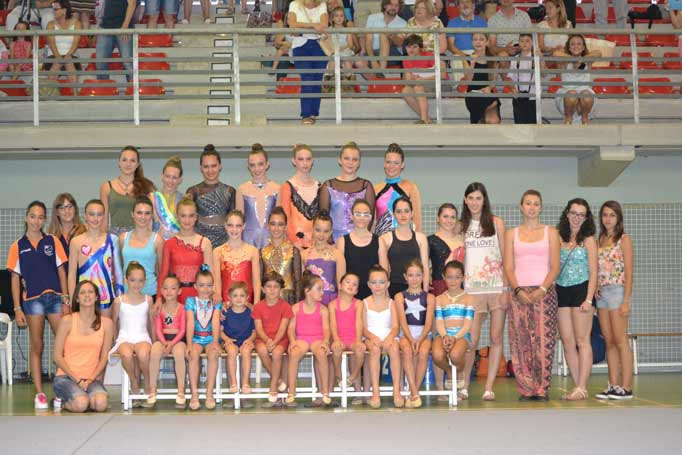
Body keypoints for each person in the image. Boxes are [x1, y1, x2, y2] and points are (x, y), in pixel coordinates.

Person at [7, 201, 69, 410]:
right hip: (33, 301)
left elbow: (61, 271)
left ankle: (62, 391)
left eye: (41, 217)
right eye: (33, 216)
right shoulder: (17, 246)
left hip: (55, 299)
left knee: (64, 345)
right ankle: (40, 393)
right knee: (37, 345)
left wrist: (66, 299)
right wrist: (17, 308)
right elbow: (15, 279)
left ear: (44, 220)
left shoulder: (52, 241)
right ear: (26, 218)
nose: (36, 221)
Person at [503, 190, 560, 401]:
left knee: (544, 341)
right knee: (521, 341)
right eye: (528, 203)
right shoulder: (511, 234)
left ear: (541, 207)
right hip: (518, 293)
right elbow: (508, 267)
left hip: (544, 293)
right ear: (521, 206)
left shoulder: (550, 232)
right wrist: (517, 290)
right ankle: (526, 388)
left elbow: (555, 266)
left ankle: (541, 388)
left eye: (536, 204)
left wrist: (542, 289)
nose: (532, 207)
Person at [461, 182, 509, 401]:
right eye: (470, 198)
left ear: (484, 200)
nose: (474, 202)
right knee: (471, 341)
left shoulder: (497, 223)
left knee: (496, 337)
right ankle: (464, 385)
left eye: (478, 198)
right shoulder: (462, 226)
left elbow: (506, 257)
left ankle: (489, 387)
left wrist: (506, 288)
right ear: (465, 200)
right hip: (472, 290)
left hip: (496, 287)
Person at [556, 198, 598, 401]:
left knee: (582, 340)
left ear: (586, 218)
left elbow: (594, 271)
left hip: (582, 290)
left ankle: (582, 386)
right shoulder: (558, 237)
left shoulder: (588, 240)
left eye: (581, 215)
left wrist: (589, 299)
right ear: (567, 214)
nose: (576, 218)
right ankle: (577, 386)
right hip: (561, 291)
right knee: (567, 341)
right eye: (573, 213)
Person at [53, 281, 114, 413]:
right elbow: (57, 357)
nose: (87, 295)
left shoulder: (107, 324)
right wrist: (78, 380)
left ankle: (85, 398)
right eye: (82, 293)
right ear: (77, 298)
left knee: (101, 404)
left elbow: (104, 357)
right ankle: (61, 402)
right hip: (66, 377)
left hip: (91, 379)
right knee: (81, 404)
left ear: (96, 297)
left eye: (90, 292)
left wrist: (91, 379)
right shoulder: (67, 321)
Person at [595, 200, 634, 400]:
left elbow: (629, 272)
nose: (608, 219)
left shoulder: (624, 239)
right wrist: (595, 286)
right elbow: (597, 267)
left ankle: (626, 387)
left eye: (612, 215)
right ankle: (613, 385)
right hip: (602, 294)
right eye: (605, 215)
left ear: (618, 217)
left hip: (617, 292)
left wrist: (625, 300)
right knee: (609, 341)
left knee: (620, 340)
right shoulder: (600, 239)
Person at [68, 199, 124, 318]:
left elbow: (118, 273)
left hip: (107, 297)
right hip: (84, 297)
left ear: (104, 216)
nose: (95, 219)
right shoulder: (76, 242)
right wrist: (74, 301)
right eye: (92, 214)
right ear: (85, 216)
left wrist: (120, 297)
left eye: (99, 214)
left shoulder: (112, 239)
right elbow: (72, 274)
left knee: (106, 328)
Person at [109, 262, 153, 407]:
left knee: (143, 355)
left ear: (145, 281)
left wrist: (154, 341)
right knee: (126, 354)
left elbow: (151, 323)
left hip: (142, 337)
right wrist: (115, 340)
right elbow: (114, 322)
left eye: (140, 280)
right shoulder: (119, 301)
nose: (136, 284)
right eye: (133, 280)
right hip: (124, 337)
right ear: (126, 280)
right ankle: (134, 382)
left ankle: (147, 381)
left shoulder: (148, 299)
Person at [286, 271, 333, 406]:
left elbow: (326, 329)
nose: (322, 292)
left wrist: (325, 342)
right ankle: (291, 391)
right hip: (302, 339)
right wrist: (292, 341)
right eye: (319, 289)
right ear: (307, 291)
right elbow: (291, 328)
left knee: (321, 353)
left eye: (322, 289)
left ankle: (324, 391)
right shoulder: (296, 308)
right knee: (294, 353)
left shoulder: (323, 309)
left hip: (318, 339)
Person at [362, 265, 403, 408]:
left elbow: (396, 326)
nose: (378, 286)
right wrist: (373, 338)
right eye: (374, 282)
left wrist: (389, 338)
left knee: (394, 349)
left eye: (381, 282)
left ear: (388, 284)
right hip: (371, 337)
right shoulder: (364, 303)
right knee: (374, 350)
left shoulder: (392, 303)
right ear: (368, 284)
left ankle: (396, 391)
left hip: (389, 335)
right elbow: (363, 328)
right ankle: (375, 392)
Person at [395, 259, 434, 407]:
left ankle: (414, 393)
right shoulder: (399, 296)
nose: (414, 279)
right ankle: (414, 391)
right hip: (406, 333)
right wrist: (411, 339)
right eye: (410, 275)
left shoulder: (430, 297)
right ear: (405, 277)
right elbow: (402, 321)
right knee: (406, 350)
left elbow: (428, 323)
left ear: (423, 276)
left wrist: (420, 338)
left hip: (424, 333)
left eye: (418, 275)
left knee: (423, 352)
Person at [158, 198, 213, 304]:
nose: (187, 220)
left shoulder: (205, 242)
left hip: (199, 296)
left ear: (196, 217)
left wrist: (213, 293)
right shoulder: (169, 243)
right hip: (175, 297)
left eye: (191, 216)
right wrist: (159, 298)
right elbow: (164, 273)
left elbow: (210, 273)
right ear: (177, 217)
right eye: (183, 216)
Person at [431, 260, 475, 393]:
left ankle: (460, 371)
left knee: (455, 355)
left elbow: (467, 324)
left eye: (457, 277)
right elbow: (439, 321)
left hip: (461, 335)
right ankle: (449, 371)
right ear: (443, 277)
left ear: (463, 278)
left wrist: (455, 337)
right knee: (437, 355)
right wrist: (445, 336)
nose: (453, 281)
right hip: (443, 334)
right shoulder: (439, 299)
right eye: (449, 277)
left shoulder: (469, 298)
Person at [319, 142, 376, 242]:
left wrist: (362, 240)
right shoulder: (328, 186)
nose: (350, 162)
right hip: (335, 241)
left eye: (355, 159)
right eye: (347, 158)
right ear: (340, 160)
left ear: (359, 163)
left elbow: (370, 219)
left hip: (360, 241)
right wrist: (330, 243)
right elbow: (323, 219)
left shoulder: (366, 186)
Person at [252, 272, 294, 404]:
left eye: (276, 287)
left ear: (281, 290)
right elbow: (258, 328)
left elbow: (283, 328)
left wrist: (274, 341)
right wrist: (267, 340)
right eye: (268, 286)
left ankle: (273, 385)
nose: (272, 289)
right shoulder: (258, 306)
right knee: (262, 350)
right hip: (262, 338)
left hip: (281, 339)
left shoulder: (286, 306)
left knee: (276, 353)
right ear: (263, 289)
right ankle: (279, 380)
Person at [185, 268, 222, 410]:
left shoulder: (216, 302)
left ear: (213, 286)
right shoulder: (190, 301)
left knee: (213, 354)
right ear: (195, 286)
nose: (206, 289)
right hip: (195, 338)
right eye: (201, 285)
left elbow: (216, 322)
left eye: (209, 285)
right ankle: (194, 394)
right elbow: (190, 322)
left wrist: (216, 342)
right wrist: (189, 344)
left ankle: (209, 392)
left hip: (211, 338)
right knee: (193, 354)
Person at [148, 274, 187, 408]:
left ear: (179, 291)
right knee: (154, 351)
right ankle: (152, 388)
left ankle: (181, 389)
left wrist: (171, 343)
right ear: (161, 290)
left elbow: (182, 330)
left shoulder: (182, 308)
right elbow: (158, 329)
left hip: (178, 339)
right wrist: (164, 342)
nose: (169, 291)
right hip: (163, 339)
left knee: (179, 353)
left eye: (173, 288)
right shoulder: (160, 309)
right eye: (165, 288)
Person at [287, 0, 329, 125]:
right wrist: (313, 25)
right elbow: (292, 25)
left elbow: (324, 25)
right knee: (307, 78)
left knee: (317, 79)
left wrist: (303, 27)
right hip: (300, 45)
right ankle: (306, 114)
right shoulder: (294, 4)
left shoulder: (322, 4)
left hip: (319, 45)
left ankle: (313, 114)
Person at [187, 145, 237, 248]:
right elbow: (188, 220)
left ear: (220, 166)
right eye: (206, 167)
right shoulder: (193, 191)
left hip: (224, 242)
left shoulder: (230, 191)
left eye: (213, 166)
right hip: (199, 242)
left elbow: (233, 222)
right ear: (201, 168)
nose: (210, 170)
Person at [379, 196, 429, 297]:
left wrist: (425, 293)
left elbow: (425, 268)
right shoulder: (385, 238)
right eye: (399, 211)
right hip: (394, 288)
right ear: (393, 214)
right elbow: (384, 270)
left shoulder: (421, 238)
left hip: (416, 288)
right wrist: (386, 294)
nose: (403, 215)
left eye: (406, 211)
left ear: (412, 213)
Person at [99, 145, 155, 236]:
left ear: (137, 164)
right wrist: (104, 241)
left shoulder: (146, 187)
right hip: (114, 236)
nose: (128, 164)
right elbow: (104, 221)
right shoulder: (106, 187)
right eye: (124, 160)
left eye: (132, 161)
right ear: (119, 162)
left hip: (138, 236)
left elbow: (150, 219)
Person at [235, 144, 280, 249]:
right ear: (248, 167)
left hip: (271, 240)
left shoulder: (277, 189)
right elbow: (238, 222)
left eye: (260, 164)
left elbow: (280, 221)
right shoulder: (242, 189)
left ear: (267, 164)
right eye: (252, 165)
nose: (257, 169)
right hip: (247, 241)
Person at [213, 210, 261, 305]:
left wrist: (256, 305)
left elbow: (256, 282)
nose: (234, 229)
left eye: (238, 226)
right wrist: (219, 306)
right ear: (225, 226)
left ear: (244, 226)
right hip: (226, 304)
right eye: (230, 225)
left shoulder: (253, 251)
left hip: (247, 304)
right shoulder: (217, 251)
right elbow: (217, 282)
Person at [277, 144, 321, 250]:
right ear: (294, 161)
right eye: (301, 159)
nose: (305, 163)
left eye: (308, 159)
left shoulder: (319, 186)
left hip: (317, 243)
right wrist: (295, 242)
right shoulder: (287, 187)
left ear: (312, 161)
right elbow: (285, 218)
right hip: (294, 244)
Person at [374, 143, 422, 236]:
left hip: (405, 240)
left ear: (402, 165)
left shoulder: (410, 187)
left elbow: (417, 221)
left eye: (396, 163)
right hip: (381, 240)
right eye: (388, 162)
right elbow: (372, 221)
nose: (391, 166)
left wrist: (418, 241)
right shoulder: (375, 189)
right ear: (384, 163)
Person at [329, 273, 366, 393]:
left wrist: (358, 340)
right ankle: (338, 375)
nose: (351, 285)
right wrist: (336, 340)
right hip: (339, 338)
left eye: (354, 284)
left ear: (356, 290)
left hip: (353, 339)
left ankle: (353, 376)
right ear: (340, 286)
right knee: (336, 349)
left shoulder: (359, 303)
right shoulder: (333, 304)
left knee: (360, 350)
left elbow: (359, 323)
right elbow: (333, 324)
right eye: (348, 282)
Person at [120, 198, 163, 299]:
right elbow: (120, 268)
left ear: (151, 215)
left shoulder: (158, 240)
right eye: (139, 213)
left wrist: (160, 298)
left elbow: (161, 272)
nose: (143, 217)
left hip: (150, 293)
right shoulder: (123, 238)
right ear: (132, 214)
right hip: (126, 293)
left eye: (147, 213)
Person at [553, 35, 601, 125]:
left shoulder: (588, 61)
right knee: (572, 94)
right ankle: (568, 119)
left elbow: (598, 53)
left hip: (585, 96)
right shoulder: (564, 61)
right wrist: (573, 60)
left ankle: (585, 119)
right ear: (569, 47)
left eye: (579, 44)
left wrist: (581, 60)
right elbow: (556, 53)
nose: (576, 46)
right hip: (567, 96)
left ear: (583, 47)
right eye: (572, 44)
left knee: (586, 94)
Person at [337, 199, 379, 300]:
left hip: (373, 296)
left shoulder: (379, 241)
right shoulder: (342, 241)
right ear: (351, 216)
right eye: (358, 214)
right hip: (350, 296)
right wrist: (341, 298)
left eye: (365, 214)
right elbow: (340, 276)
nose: (362, 218)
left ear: (370, 218)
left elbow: (384, 273)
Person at [302, 212, 345, 305]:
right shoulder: (304, 254)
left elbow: (341, 285)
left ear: (331, 232)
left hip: (331, 302)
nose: (321, 235)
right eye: (318, 230)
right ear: (312, 229)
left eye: (326, 231)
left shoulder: (337, 255)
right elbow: (302, 285)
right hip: (311, 302)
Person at [221, 281, 256, 394]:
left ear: (247, 297)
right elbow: (219, 331)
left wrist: (250, 340)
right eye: (235, 296)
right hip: (230, 341)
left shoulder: (251, 313)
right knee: (232, 351)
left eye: (242, 295)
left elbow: (255, 331)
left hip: (246, 340)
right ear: (229, 297)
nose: (238, 299)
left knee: (246, 351)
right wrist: (226, 339)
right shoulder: (225, 313)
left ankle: (245, 383)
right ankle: (233, 383)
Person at [260, 207, 302, 304]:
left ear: (285, 227)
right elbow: (259, 282)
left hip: (288, 300)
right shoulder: (262, 252)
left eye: (280, 224)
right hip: (267, 301)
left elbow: (298, 282)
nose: (276, 228)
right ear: (268, 226)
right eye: (273, 224)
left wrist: (297, 306)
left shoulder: (293, 251)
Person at [462, 33, 501, 124]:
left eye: (481, 39)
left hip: (487, 92)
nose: (478, 42)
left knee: (494, 121)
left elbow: (494, 81)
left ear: (487, 42)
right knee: (480, 122)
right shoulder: (466, 59)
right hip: (473, 94)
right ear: (472, 42)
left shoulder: (494, 59)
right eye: (475, 39)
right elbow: (468, 81)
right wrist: (472, 64)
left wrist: (489, 88)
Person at [358, 0, 407, 72]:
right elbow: (368, 41)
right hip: (373, 52)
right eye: (391, 5)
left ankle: (381, 70)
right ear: (385, 6)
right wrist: (373, 60)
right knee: (359, 63)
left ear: (399, 8)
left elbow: (400, 43)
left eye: (396, 6)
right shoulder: (372, 18)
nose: (393, 7)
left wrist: (392, 36)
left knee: (383, 34)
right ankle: (379, 77)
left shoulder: (403, 23)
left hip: (392, 54)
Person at [428, 203, 465, 297]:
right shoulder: (430, 240)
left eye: (453, 217)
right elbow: (422, 264)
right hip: (439, 287)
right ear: (438, 218)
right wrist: (427, 274)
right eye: (445, 216)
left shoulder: (462, 240)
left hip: (459, 287)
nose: (449, 220)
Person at [48, 193, 86, 279]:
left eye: (70, 207)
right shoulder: (51, 237)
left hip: (82, 283)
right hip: (59, 283)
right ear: (57, 212)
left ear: (75, 209)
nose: (67, 211)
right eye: (62, 208)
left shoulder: (85, 232)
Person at [96, 0, 136, 81]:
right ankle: (103, 87)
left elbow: (132, 4)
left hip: (123, 28)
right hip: (105, 26)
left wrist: (125, 27)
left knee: (127, 63)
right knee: (100, 62)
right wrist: (99, 22)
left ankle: (132, 87)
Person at [401, 34, 436, 124]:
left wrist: (422, 79)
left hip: (436, 84)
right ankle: (426, 118)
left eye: (415, 47)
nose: (411, 50)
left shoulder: (429, 55)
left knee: (418, 86)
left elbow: (442, 76)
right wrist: (414, 79)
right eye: (408, 47)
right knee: (405, 91)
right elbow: (408, 80)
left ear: (420, 47)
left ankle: (424, 119)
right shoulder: (406, 60)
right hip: (419, 84)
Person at [321, 6, 359, 85]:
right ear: (332, 18)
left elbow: (350, 45)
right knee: (332, 61)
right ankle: (329, 80)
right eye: (336, 16)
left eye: (341, 16)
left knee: (347, 61)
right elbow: (323, 40)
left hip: (345, 51)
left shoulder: (347, 30)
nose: (339, 18)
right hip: (334, 52)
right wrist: (331, 48)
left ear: (344, 18)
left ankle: (350, 80)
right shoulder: (329, 30)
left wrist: (341, 48)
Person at [46, 0, 81, 86]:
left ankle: (74, 93)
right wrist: (58, 57)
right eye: (53, 9)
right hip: (53, 55)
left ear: (64, 10)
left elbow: (75, 43)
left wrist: (68, 55)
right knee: (57, 63)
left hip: (72, 54)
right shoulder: (50, 24)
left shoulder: (77, 23)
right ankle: (50, 92)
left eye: (56, 9)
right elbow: (52, 44)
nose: (53, 12)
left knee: (69, 63)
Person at [150, 156, 184, 241]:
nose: (170, 181)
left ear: (180, 180)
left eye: (174, 178)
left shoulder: (184, 200)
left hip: (177, 244)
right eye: (167, 176)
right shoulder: (152, 198)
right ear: (162, 176)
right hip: (156, 244)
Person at [508, 34, 537, 124]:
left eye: (527, 41)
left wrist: (541, 59)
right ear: (519, 43)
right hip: (518, 96)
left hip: (533, 97)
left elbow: (543, 74)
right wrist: (513, 88)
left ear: (532, 43)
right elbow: (510, 77)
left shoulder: (536, 58)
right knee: (519, 124)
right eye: (522, 41)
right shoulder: (515, 59)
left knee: (532, 125)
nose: (524, 43)